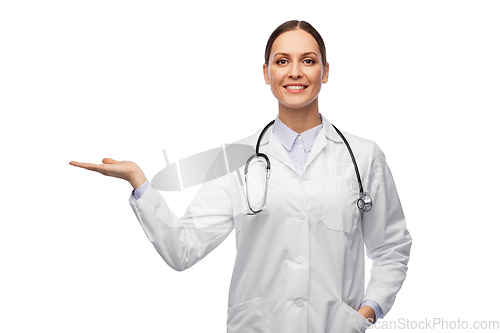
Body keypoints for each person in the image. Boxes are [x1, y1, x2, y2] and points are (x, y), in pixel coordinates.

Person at [69, 20, 412, 333]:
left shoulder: (363, 156)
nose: (295, 72)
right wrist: (138, 181)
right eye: (282, 61)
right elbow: (182, 250)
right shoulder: (236, 160)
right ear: (266, 73)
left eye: (308, 60)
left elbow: (392, 249)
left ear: (325, 71)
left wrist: (365, 313)